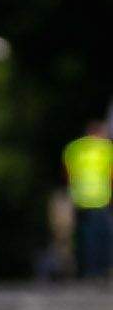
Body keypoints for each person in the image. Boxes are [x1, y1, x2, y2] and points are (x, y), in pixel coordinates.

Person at [62, 120, 113, 282]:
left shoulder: (74, 148)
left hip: (80, 198)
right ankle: (103, 269)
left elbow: (68, 174)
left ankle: (87, 270)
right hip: (101, 198)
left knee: (84, 237)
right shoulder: (106, 149)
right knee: (103, 236)